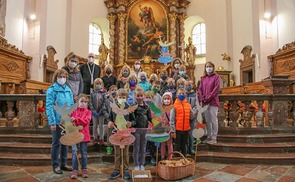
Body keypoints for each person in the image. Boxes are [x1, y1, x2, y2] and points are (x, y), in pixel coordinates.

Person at [46, 69, 74, 174]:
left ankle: (64, 163)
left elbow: (71, 105)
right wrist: (52, 122)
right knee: (56, 143)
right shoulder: (52, 90)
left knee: (65, 142)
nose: (62, 79)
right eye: (60, 76)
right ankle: (55, 165)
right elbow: (49, 107)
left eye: (64, 77)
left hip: (66, 121)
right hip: (57, 121)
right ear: (56, 77)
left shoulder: (68, 90)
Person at [108, 88, 132, 180]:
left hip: (126, 133)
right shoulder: (114, 108)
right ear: (116, 97)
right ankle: (116, 169)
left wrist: (131, 123)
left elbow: (133, 120)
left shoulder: (128, 108)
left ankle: (126, 169)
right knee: (117, 153)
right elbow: (110, 118)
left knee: (125, 153)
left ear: (126, 98)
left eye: (123, 97)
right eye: (119, 97)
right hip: (116, 133)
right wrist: (110, 122)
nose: (121, 98)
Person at [69, 94, 92, 179]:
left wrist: (76, 120)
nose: (83, 103)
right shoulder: (73, 111)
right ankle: (74, 170)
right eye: (81, 101)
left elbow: (86, 121)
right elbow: (70, 122)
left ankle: (84, 169)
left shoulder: (88, 112)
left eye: (85, 102)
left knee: (84, 153)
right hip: (75, 135)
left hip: (84, 135)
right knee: (74, 153)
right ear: (77, 102)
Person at [198, 61, 220, 144]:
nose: (208, 68)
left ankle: (214, 137)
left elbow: (216, 88)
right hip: (205, 103)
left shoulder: (216, 77)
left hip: (213, 102)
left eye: (210, 66)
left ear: (213, 67)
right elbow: (200, 89)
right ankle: (209, 136)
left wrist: (208, 97)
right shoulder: (203, 78)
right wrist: (202, 98)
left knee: (214, 120)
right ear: (205, 68)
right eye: (207, 66)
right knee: (207, 120)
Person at [130, 87, 153, 170]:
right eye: (138, 95)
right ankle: (136, 164)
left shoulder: (147, 107)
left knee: (143, 147)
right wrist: (132, 126)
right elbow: (132, 119)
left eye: (141, 95)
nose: (139, 97)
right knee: (136, 148)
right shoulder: (133, 107)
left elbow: (150, 118)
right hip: (136, 130)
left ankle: (142, 164)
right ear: (135, 96)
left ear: (144, 96)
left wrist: (154, 122)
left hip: (145, 129)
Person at [170, 88, 192, 156]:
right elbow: (172, 119)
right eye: (180, 93)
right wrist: (172, 130)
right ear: (176, 95)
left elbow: (191, 116)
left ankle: (184, 158)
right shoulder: (174, 106)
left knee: (184, 144)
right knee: (177, 144)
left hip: (186, 128)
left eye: (183, 94)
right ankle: (177, 159)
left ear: (186, 95)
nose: (181, 95)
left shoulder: (188, 105)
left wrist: (197, 111)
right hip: (177, 129)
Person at [89, 78, 110, 145]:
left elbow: (104, 102)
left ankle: (101, 138)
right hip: (94, 112)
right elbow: (90, 103)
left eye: (100, 84)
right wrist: (93, 111)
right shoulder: (92, 93)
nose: (98, 85)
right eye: (97, 84)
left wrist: (101, 110)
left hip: (101, 112)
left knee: (101, 125)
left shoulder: (103, 93)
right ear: (95, 85)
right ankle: (95, 138)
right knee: (95, 125)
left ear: (102, 85)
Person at [160, 92, 174, 160]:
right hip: (162, 129)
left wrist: (172, 130)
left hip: (169, 129)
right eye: (165, 99)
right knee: (163, 144)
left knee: (169, 144)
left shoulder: (172, 108)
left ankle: (170, 157)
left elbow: (173, 120)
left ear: (171, 100)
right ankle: (162, 156)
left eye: (168, 98)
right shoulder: (161, 108)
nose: (166, 100)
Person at [185, 80, 197, 155]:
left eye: (189, 85)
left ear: (192, 86)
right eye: (186, 85)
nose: (188, 86)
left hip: (192, 116)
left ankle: (191, 148)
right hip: (184, 116)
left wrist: (193, 112)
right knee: (185, 134)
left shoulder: (195, 95)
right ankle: (185, 148)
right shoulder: (183, 94)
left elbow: (196, 105)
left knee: (191, 133)